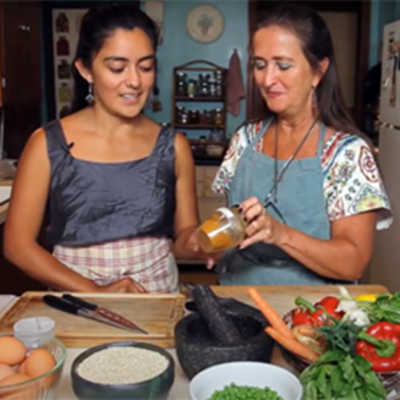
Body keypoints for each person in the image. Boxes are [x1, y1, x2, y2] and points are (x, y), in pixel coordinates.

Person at [3, 4, 203, 293]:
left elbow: (184, 235)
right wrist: (94, 291)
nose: (134, 81)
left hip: (158, 298)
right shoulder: (46, 144)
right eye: (117, 68)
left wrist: (201, 242)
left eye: (145, 67)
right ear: (85, 69)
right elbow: (17, 246)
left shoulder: (173, 146)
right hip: (77, 301)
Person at [211, 5, 393, 286]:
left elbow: (353, 263)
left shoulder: (347, 154)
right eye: (260, 65)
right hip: (237, 297)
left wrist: (280, 234)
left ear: (318, 71)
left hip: (313, 311)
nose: (268, 79)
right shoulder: (245, 140)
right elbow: (230, 228)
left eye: (283, 66)